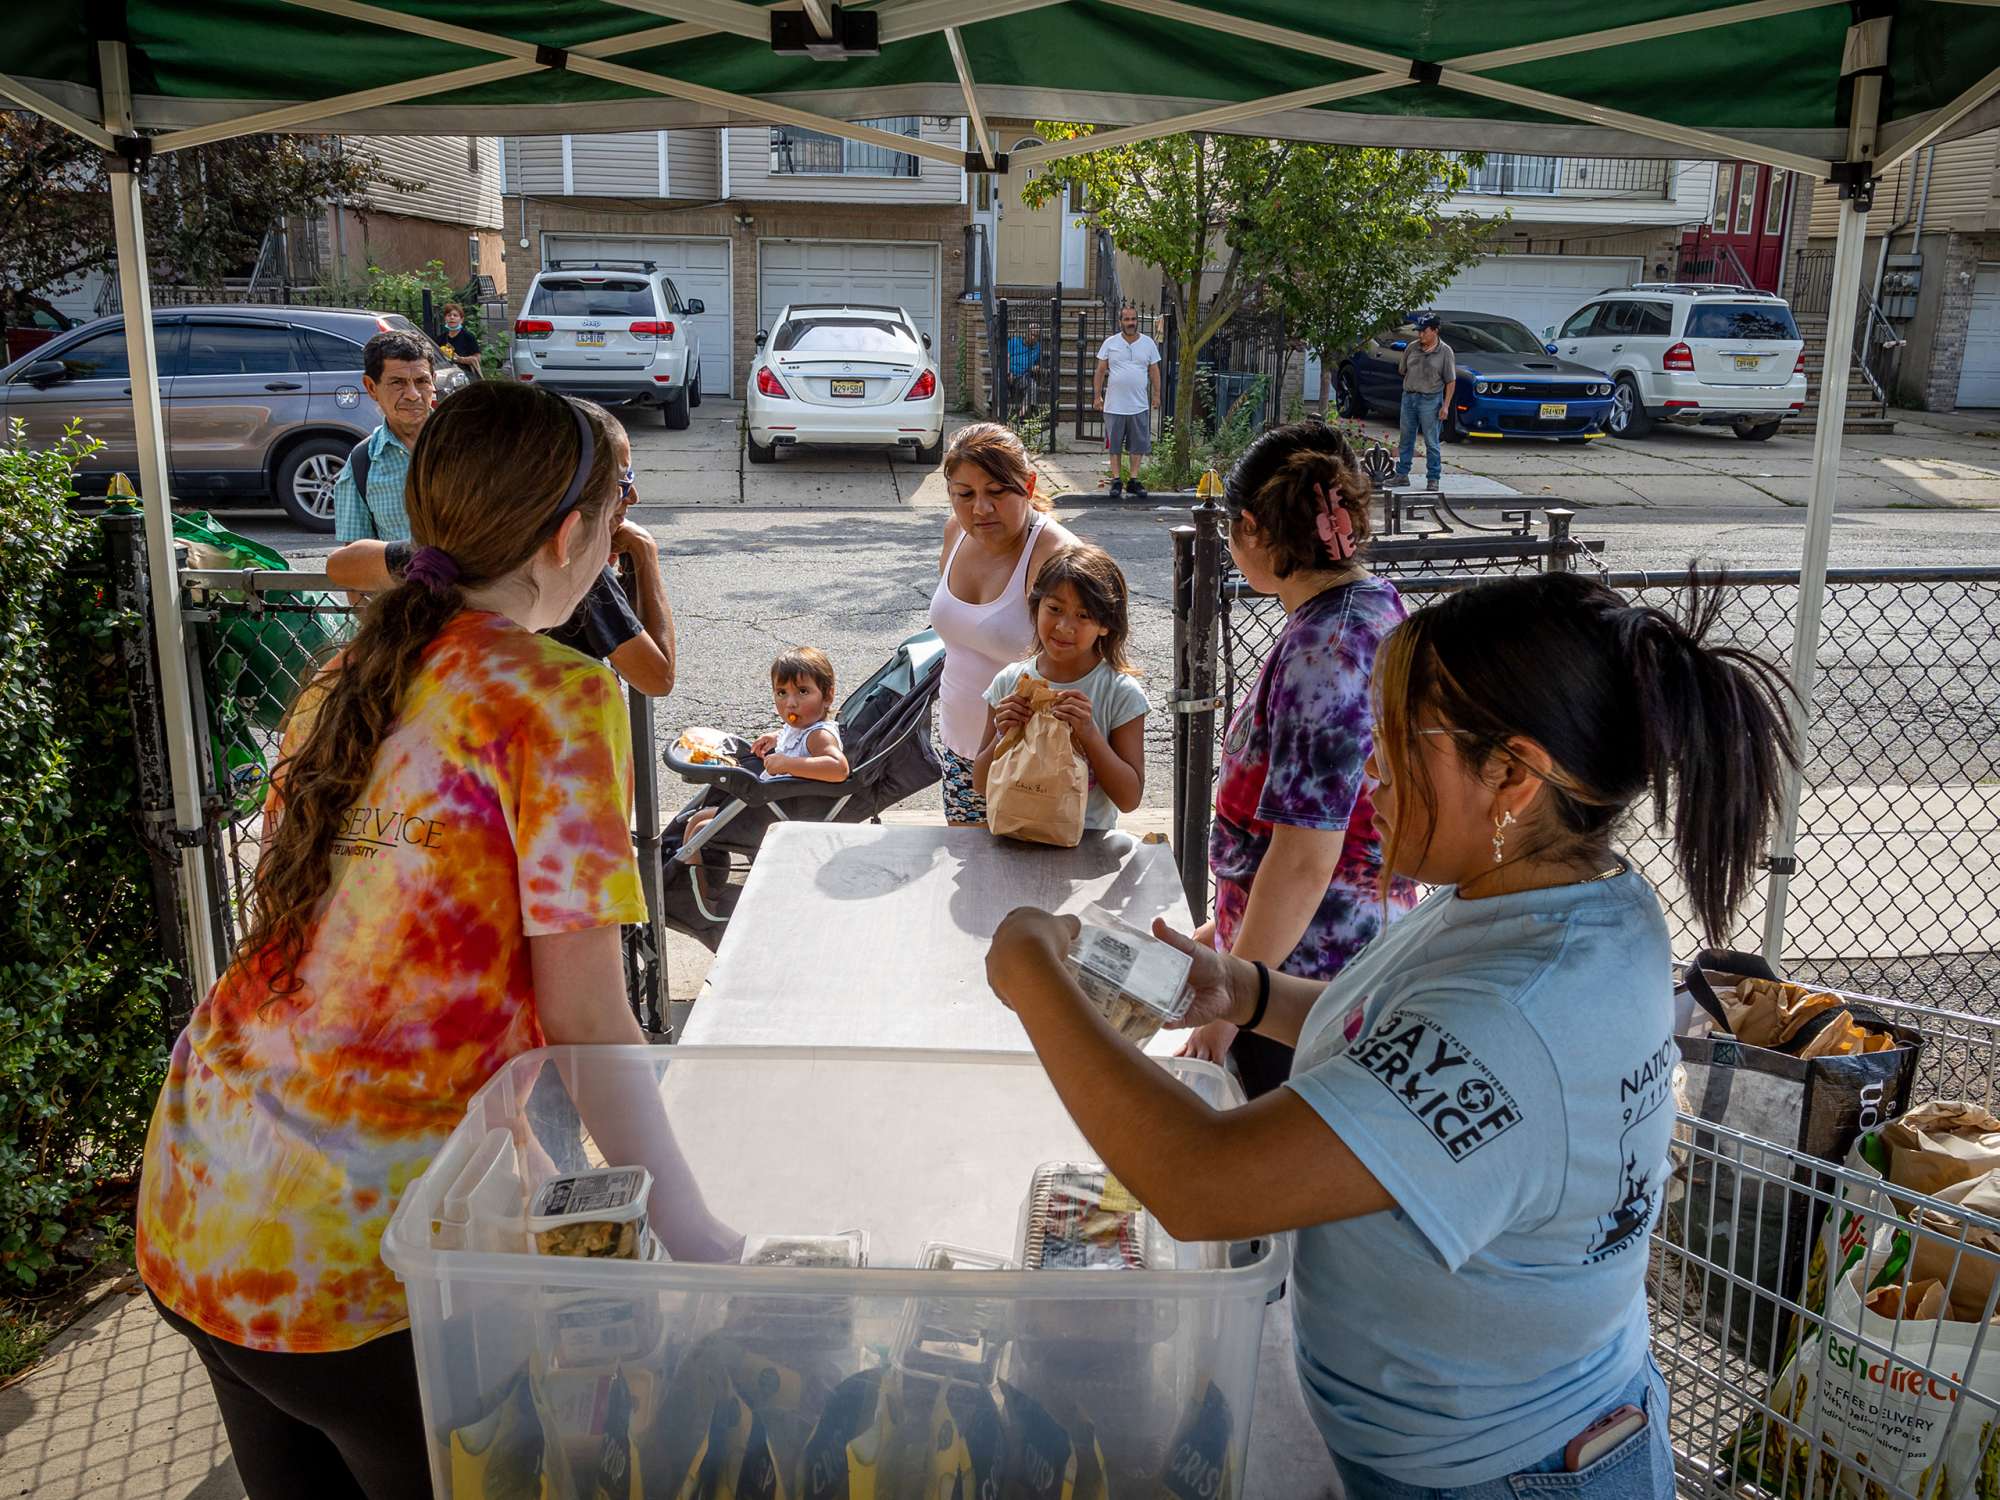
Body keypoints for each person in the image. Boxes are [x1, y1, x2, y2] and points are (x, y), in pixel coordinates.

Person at [985, 567, 1795, 1499]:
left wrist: (1031, 974)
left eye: (1399, 739)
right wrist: (1243, 990)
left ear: (1515, 778)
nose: (1367, 767)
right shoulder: (1557, 901)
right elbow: (1396, 1033)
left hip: (1504, 1475)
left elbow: (1203, 1183)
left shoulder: (1520, 1010)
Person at [135, 383, 739, 1500]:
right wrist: (699, 1236)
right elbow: (588, 1017)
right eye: (616, 516)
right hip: (354, 1269)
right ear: (572, 537)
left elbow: (366, 967)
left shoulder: (341, 673)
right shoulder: (556, 694)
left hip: (195, 1201)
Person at [1177, 423, 1417, 1099]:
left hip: (1307, 986)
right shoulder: (1371, 607)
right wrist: (1220, 932)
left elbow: (1306, 858)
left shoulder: (1324, 653)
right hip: (1312, 962)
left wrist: (1230, 996)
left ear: (1251, 527)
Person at [324, 407, 676, 697]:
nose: (632, 497)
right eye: (621, 483)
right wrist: (645, 554)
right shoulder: (579, 695)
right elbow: (656, 678)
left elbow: (341, 565)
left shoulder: (361, 665)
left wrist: (428, 557)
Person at [927, 422, 1077, 827]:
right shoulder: (955, 531)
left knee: (1035, 884)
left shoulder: (1056, 556)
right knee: (969, 880)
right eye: (965, 494)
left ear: (1028, 486)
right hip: (960, 751)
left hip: (1034, 758)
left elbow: (1082, 669)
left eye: (996, 492)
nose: (980, 509)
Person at [973, 544, 1147, 831]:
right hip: (1014, 835)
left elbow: (1129, 799)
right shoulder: (1009, 682)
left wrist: (1089, 733)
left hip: (1086, 845)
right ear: (1035, 607)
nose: (1065, 627)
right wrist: (1003, 732)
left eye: (1083, 616)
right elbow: (980, 783)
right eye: (1054, 609)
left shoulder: (1120, 693)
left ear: (1105, 624)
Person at [332, 330, 437, 544]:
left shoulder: (470, 447)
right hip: (402, 578)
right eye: (398, 382)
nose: (413, 394)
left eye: (421, 381)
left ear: (433, 381)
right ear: (371, 388)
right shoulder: (363, 463)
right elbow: (358, 559)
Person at [1093, 304, 1161, 499]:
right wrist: (1097, 396)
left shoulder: (1148, 343)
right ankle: (1116, 480)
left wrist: (1157, 395)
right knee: (1114, 445)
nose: (1131, 323)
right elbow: (1100, 371)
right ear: (1120, 321)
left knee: (1137, 445)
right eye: (1127, 319)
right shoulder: (1110, 343)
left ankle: (1133, 480)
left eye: (1133, 319)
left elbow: (1154, 371)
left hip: (1138, 405)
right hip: (1114, 405)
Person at [1393, 311, 1455, 492]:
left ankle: (1433, 478)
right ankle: (1402, 474)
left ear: (1435, 331)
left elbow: (1450, 381)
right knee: (1406, 437)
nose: (1420, 335)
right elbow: (1402, 370)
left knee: (1431, 440)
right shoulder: (1412, 347)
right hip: (1409, 396)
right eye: (1418, 331)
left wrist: (1446, 406)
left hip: (1431, 399)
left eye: (1424, 331)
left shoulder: (1445, 352)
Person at [1007, 320, 1045, 411]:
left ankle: (1024, 412)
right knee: (999, 381)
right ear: (1027, 333)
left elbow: (1038, 363)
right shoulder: (1014, 341)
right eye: (1032, 334)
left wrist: (1036, 367)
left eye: (1036, 336)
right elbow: (1005, 357)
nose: (1034, 338)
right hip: (1008, 373)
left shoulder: (1037, 347)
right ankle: (995, 412)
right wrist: (1008, 372)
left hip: (1022, 377)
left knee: (1032, 386)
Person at [436, 301, 482, 377]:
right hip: (445, 376)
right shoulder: (440, 338)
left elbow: (477, 359)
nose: (452, 317)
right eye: (449, 315)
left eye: (455, 315)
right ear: (445, 319)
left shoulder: (468, 337)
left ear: (461, 320)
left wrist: (460, 359)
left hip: (466, 377)